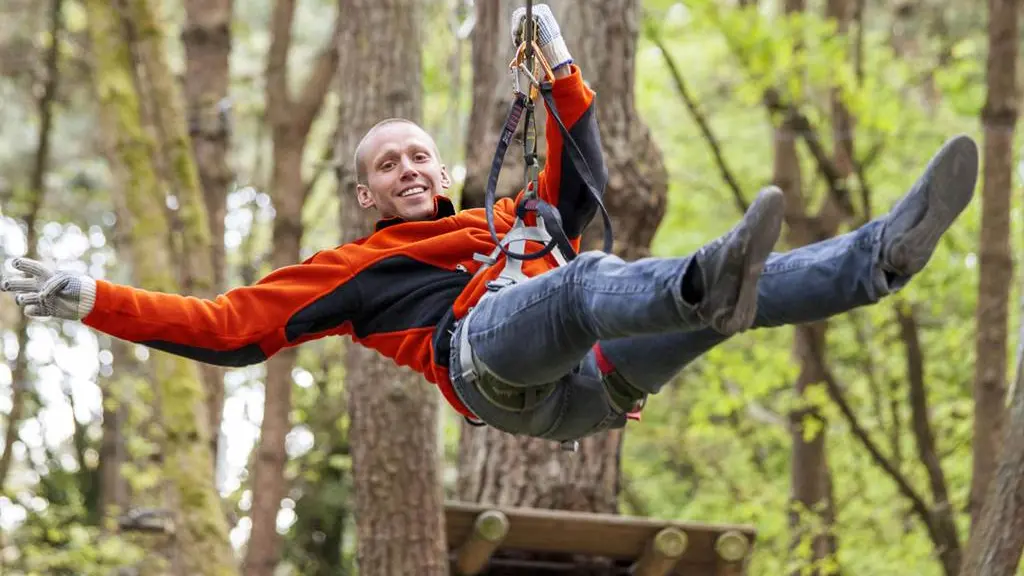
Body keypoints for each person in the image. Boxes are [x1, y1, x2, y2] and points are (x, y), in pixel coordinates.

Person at [0, 5, 978, 445]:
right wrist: (89, 295)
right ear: (370, 196)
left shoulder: (509, 217)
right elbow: (224, 331)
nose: (410, 168)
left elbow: (580, 169)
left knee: (731, 302)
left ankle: (878, 260)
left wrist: (554, 60)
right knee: (595, 283)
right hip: (492, 369)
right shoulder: (357, 265)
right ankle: (699, 280)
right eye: (388, 165)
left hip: (589, 396)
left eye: (419, 153)